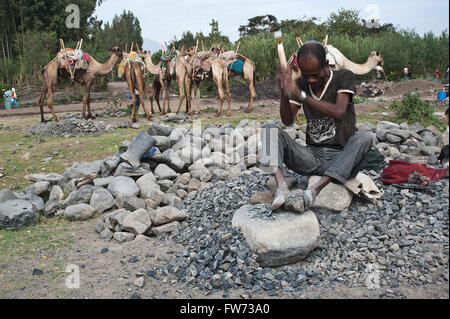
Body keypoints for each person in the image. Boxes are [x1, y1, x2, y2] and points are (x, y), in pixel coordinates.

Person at [259, 40, 372, 210]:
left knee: (365, 137)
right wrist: (284, 91)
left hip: (342, 157)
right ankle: (281, 188)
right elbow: (288, 121)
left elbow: (339, 111)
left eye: (315, 75)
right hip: (312, 157)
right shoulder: (301, 84)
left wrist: (303, 96)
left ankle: (315, 188)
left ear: (326, 64)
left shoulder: (344, 77)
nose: (311, 80)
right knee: (268, 130)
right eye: (306, 75)